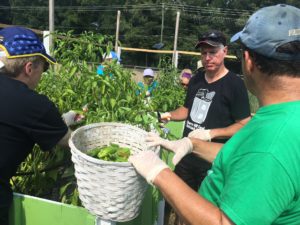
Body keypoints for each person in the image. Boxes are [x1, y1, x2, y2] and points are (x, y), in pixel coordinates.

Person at [129, 4, 300, 224]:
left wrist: (158, 173)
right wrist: (193, 144)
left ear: (248, 61)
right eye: (204, 52)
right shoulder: (281, 119)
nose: (207, 57)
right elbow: (245, 161)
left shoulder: (270, 142)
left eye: (213, 51)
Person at [0, 26, 80, 225]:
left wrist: (58, 122)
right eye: (43, 68)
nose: (42, 74)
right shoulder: (34, 104)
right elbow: (70, 142)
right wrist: (66, 127)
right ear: (29, 68)